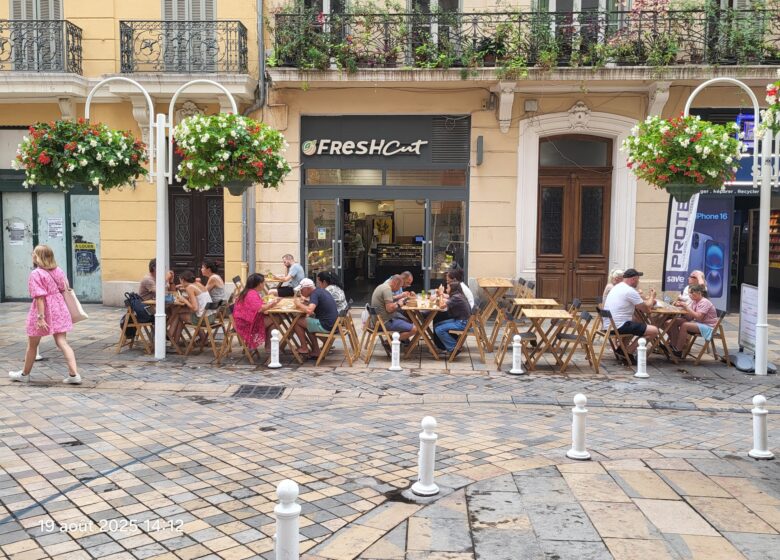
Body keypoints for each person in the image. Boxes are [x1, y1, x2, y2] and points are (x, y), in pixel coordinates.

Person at [9, 245, 81, 384]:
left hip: (43, 310)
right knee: (62, 342)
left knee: (32, 345)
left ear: (37, 257)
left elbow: (40, 298)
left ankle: (24, 375)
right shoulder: (58, 270)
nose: (32, 255)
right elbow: (64, 288)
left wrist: (40, 317)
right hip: (59, 308)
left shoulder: (36, 274)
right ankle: (74, 375)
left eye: (34, 254)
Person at [602, 268, 658, 361]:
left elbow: (640, 303)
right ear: (633, 279)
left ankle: (621, 349)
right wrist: (652, 296)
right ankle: (628, 353)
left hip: (609, 326)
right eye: (638, 279)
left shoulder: (617, 287)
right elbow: (647, 309)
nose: (638, 282)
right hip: (617, 327)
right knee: (654, 331)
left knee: (635, 321)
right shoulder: (629, 290)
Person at [292, 278, 339, 359]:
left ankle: (304, 348)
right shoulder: (320, 291)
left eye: (301, 290)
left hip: (326, 325)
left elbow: (310, 310)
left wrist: (298, 304)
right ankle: (316, 351)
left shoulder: (314, 294)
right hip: (333, 324)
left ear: (307, 288)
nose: (301, 292)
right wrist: (307, 302)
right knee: (307, 323)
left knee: (296, 322)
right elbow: (316, 304)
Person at [233, 273, 279, 351]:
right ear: (259, 284)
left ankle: (269, 346)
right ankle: (269, 346)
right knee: (276, 319)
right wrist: (272, 303)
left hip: (244, 321)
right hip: (246, 324)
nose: (264, 284)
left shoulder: (248, 291)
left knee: (274, 319)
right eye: (263, 282)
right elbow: (260, 308)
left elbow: (256, 307)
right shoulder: (252, 294)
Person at [668, 284, 718, 357]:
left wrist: (686, 307)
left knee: (685, 325)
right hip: (698, 323)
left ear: (699, 293)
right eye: (689, 293)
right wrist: (682, 309)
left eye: (692, 292)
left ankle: (678, 350)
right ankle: (674, 344)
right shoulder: (695, 301)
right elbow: (690, 318)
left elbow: (699, 317)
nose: (690, 295)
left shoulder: (704, 302)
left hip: (708, 326)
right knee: (673, 322)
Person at [167, 270, 212, 345]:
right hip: (211, 316)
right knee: (179, 313)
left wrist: (184, 300)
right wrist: (187, 298)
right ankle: (174, 341)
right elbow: (199, 298)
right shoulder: (198, 284)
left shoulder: (190, 288)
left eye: (180, 281)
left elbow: (195, 308)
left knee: (178, 315)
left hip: (204, 319)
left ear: (183, 280)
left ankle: (170, 336)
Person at [371, 275, 416, 342]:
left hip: (377, 321)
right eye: (399, 286)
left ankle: (400, 340)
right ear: (395, 283)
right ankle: (389, 341)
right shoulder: (387, 289)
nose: (399, 289)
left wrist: (400, 297)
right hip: (384, 322)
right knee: (415, 329)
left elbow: (390, 299)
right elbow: (389, 309)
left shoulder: (382, 286)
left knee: (406, 319)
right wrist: (398, 304)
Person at [433, 281, 471, 357]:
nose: (446, 289)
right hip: (461, 320)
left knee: (439, 329)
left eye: (448, 288)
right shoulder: (457, 295)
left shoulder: (456, 297)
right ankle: (443, 346)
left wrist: (441, 294)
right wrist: (441, 294)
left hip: (462, 323)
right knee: (437, 324)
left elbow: (441, 306)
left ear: (452, 289)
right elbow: (446, 300)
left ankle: (454, 348)